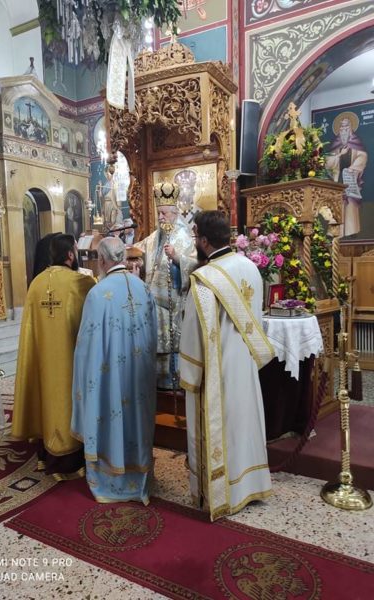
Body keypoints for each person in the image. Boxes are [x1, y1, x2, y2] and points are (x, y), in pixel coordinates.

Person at [179, 211, 274, 520]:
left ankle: (225, 492)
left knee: (225, 428)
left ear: (205, 241)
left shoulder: (205, 279)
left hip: (218, 371)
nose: (196, 242)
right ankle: (252, 483)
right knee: (246, 425)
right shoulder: (250, 267)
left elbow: (192, 334)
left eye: (196, 237)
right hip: (245, 365)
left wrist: (189, 374)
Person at [71, 237, 157, 504]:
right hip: (139, 376)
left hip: (111, 378)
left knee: (112, 419)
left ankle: (112, 483)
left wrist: (85, 378)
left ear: (101, 260)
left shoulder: (99, 293)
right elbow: (154, 335)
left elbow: (87, 346)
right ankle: (140, 480)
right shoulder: (143, 287)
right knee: (138, 421)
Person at [12, 234, 95, 479]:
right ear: (70, 254)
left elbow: (30, 332)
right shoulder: (81, 283)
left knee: (46, 398)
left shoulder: (36, 283)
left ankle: (44, 454)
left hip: (44, 363)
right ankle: (72, 460)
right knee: (68, 399)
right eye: (76, 250)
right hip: (70, 363)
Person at [134, 181, 196, 388]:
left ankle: (172, 385)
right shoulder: (154, 237)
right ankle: (157, 386)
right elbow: (139, 251)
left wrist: (177, 258)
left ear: (175, 213)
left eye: (164, 213)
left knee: (171, 346)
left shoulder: (185, 238)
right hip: (153, 303)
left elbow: (196, 265)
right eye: (159, 213)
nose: (160, 217)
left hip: (173, 305)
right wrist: (135, 258)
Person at [325, 113, 368, 236]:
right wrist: (339, 155)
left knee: (350, 209)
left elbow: (362, 157)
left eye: (346, 126)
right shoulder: (336, 146)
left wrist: (352, 169)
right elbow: (328, 163)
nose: (344, 129)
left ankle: (351, 232)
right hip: (337, 182)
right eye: (342, 127)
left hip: (350, 180)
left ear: (351, 128)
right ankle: (335, 234)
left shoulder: (356, 144)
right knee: (336, 208)